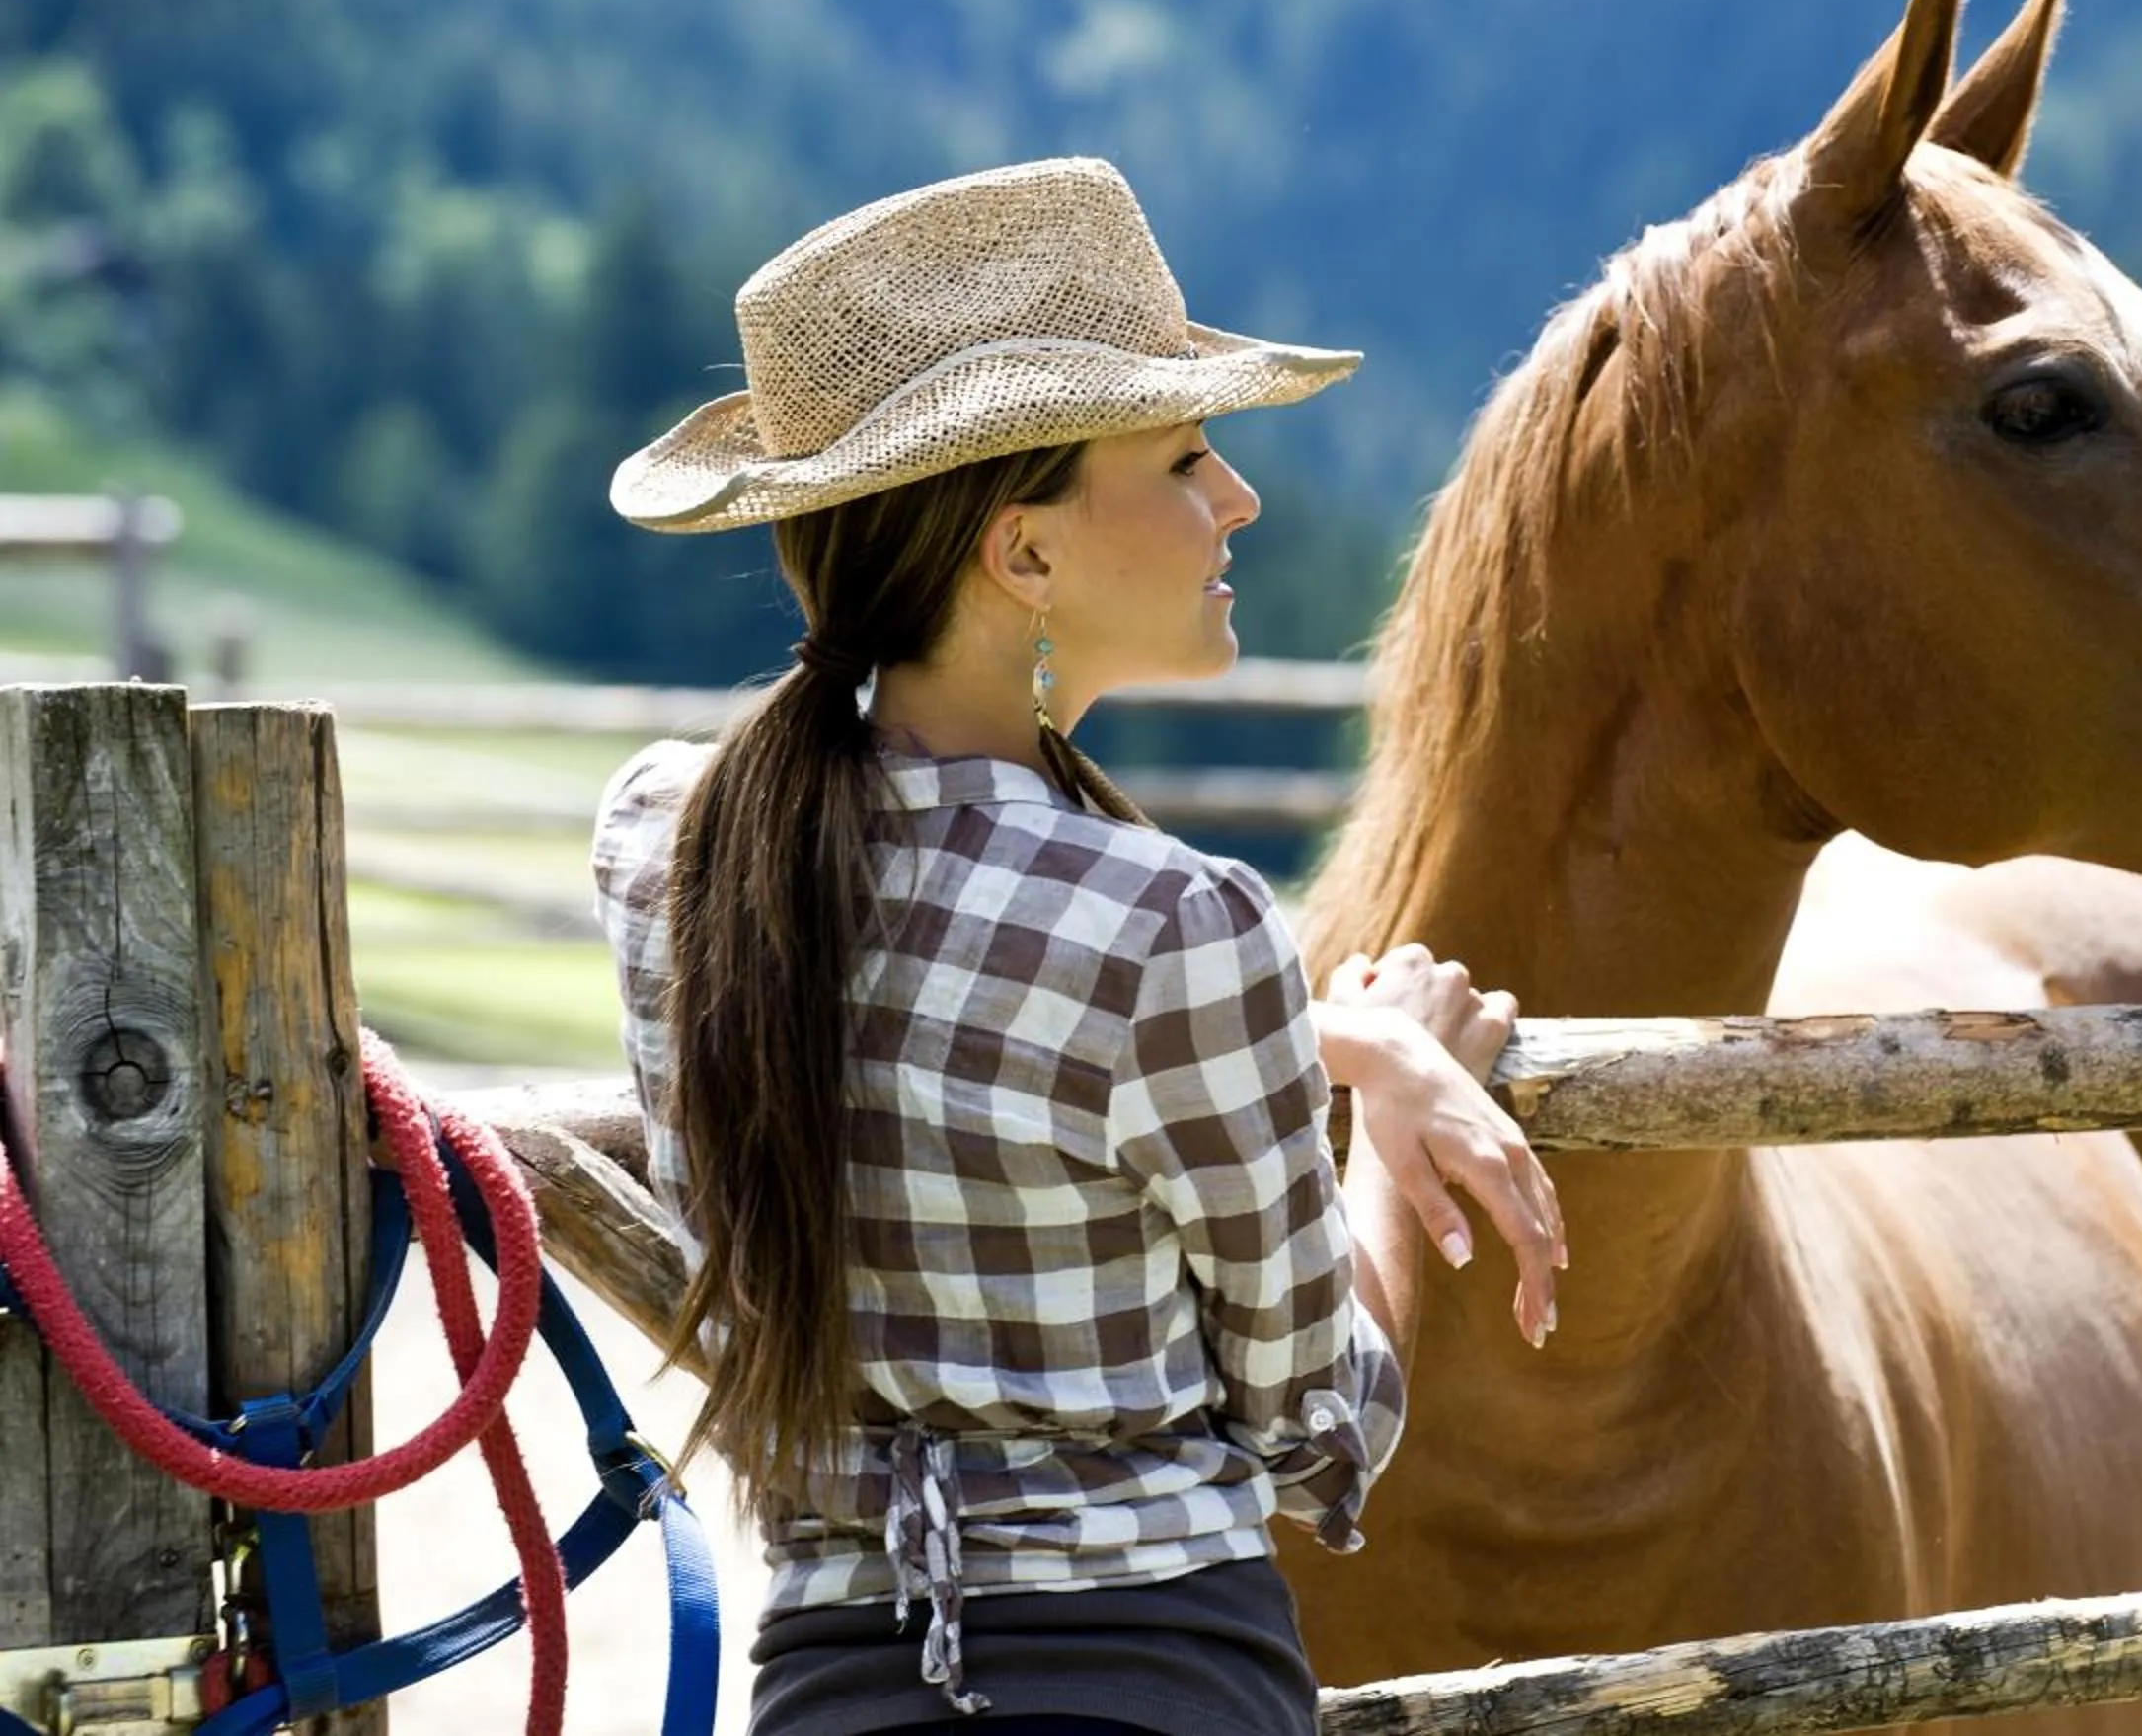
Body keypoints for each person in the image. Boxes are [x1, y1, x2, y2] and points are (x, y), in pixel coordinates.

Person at [588, 157, 1565, 1736]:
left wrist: (1312, 1037)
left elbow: (952, 1021)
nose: (1235, 498)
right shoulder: (1176, 924)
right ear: (1021, 555)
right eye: (1185, 459)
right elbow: (1321, 1422)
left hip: (829, 1689)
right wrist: (1389, 1103)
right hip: (1154, 1682)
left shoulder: (667, 848)